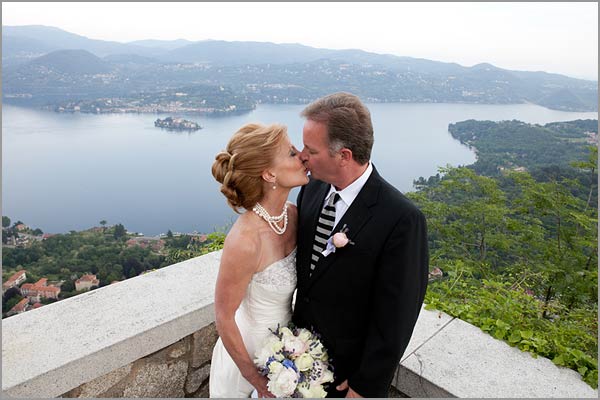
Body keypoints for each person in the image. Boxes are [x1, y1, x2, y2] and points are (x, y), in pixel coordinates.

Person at [292, 92, 429, 398]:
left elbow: (396, 316)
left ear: (344, 156)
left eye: (310, 150)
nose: (301, 156)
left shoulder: (401, 219)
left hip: (347, 380)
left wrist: (364, 386)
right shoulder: (312, 190)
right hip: (295, 362)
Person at [209, 123, 309, 398]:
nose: (302, 155)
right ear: (268, 173)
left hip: (289, 350)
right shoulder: (245, 240)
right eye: (291, 153)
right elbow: (223, 316)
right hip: (248, 354)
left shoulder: (295, 216)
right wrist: (256, 381)